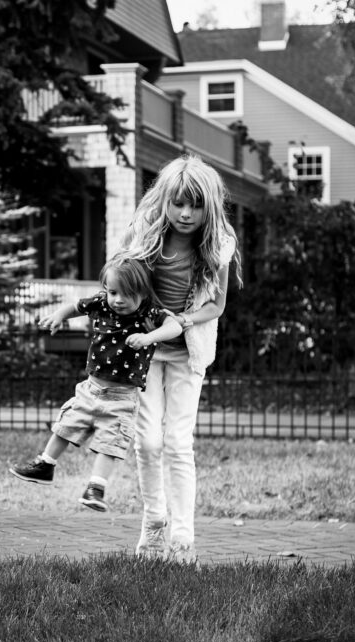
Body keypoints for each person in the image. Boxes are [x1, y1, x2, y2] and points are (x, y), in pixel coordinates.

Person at [119, 154, 242, 564]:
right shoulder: (145, 236)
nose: (185, 214)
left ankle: (182, 539)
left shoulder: (219, 244)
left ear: (208, 205)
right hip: (147, 353)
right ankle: (154, 524)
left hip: (189, 353)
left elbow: (217, 306)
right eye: (178, 204)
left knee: (177, 442)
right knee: (148, 439)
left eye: (195, 205)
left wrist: (182, 321)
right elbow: (122, 288)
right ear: (165, 201)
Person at [9, 257, 183, 512]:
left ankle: (96, 488)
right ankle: (45, 464)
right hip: (90, 389)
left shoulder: (149, 313)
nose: (118, 300)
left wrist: (149, 337)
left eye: (127, 294)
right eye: (113, 292)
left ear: (143, 293)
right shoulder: (102, 303)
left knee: (111, 442)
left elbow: (175, 327)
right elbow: (76, 307)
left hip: (121, 397)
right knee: (66, 425)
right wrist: (59, 315)